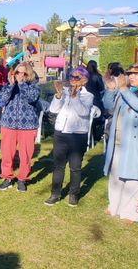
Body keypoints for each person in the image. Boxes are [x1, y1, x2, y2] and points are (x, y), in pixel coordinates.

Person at [102, 62, 138, 223]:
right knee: (116, 176)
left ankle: (130, 213)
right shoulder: (125, 91)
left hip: (136, 145)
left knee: (134, 178)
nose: (131, 76)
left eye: (136, 74)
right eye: (130, 74)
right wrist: (111, 89)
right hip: (117, 142)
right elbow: (108, 107)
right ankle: (114, 206)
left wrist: (123, 89)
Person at [44, 67, 94, 207]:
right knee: (58, 166)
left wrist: (74, 97)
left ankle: (73, 194)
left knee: (75, 167)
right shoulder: (64, 92)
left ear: (84, 80)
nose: (72, 79)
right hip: (61, 133)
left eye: (77, 77)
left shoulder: (87, 96)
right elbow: (53, 110)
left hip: (78, 136)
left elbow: (83, 112)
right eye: (71, 76)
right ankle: (55, 194)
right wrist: (59, 95)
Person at [0, 63, 40, 192]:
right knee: (6, 153)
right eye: (17, 73)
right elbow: (2, 99)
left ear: (29, 74)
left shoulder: (34, 86)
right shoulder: (9, 85)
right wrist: (10, 85)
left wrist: (21, 84)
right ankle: (7, 178)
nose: (20, 75)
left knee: (25, 154)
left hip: (27, 125)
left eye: (23, 73)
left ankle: (22, 179)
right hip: (8, 124)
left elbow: (31, 98)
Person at [85, 60, 105, 142]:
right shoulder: (97, 76)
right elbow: (101, 88)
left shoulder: (84, 75)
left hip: (85, 99)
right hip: (95, 100)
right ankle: (96, 136)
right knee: (99, 116)